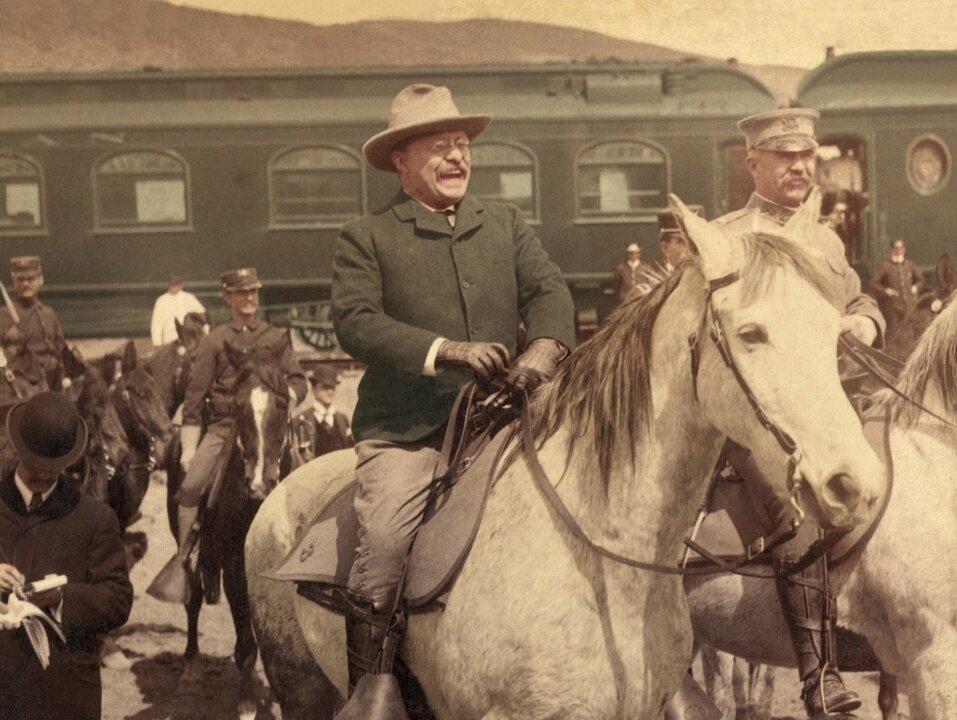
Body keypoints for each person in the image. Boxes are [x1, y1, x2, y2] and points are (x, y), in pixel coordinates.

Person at [332, 83, 576, 717]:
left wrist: (543, 351)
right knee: (384, 543)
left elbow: (549, 290)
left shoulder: (504, 223)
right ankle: (373, 694)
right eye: (439, 147)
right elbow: (355, 320)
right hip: (411, 430)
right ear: (401, 162)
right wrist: (446, 349)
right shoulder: (369, 235)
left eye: (462, 145)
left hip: (508, 418)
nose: (456, 158)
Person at [710, 108, 886, 719]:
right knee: (797, 502)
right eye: (784, 157)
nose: (799, 167)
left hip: (830, 404)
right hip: (762, 419)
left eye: (807, 156)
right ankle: (819, 675)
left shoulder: (824, 237)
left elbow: (857, 296)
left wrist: (864, 319)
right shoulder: (728, 237)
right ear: (753, 162)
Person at [0, 392, 133, 720]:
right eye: (35, 466)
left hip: (65, 694)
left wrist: (61, 598)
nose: (45, 476)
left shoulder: (94, 518)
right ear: (16, 451)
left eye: (55, 468)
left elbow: (117, 599)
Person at [173, 268, 307, 553]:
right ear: (227, 297)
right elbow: (194, 400)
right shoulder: (215, 341)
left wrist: (286, 397)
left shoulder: (275, 337)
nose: (248, 297)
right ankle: (186, 559)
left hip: (270, 427)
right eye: (240, 292)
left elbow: (297, 380)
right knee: (190, 487)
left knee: (308, 483)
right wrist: (187, 450)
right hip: (224, 427)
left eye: (253, 291)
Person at [0, 256, 67, 387]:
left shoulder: (49, 314)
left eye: (30, 279)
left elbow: (61, 349)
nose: (25, 284)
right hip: (21, 384)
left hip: (53, 381)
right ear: (14, 282)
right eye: (21, 279)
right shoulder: (4, 314)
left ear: (40, 280)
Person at [634, 206, 702, 297]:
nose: (691, 249)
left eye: (695, 242)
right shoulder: (647, 289)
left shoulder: (711, 287)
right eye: (681, 242)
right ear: (665, 248)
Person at [868, 240, 926, 343]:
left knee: (911, 332)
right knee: (895, 334)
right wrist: (886, 290)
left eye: (901, 248)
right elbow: (873, 283)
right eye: (896, 248)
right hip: (893, 306)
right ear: (891, 250)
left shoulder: (909, 264)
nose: (899, 251)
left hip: (909, 305)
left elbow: (921, 280)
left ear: (904, 250)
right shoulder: (885, 266)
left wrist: (916, 287)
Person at [296, 366, 353, 458]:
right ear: (314, 389)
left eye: (332, 387)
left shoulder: (343, 419)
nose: (330, 392)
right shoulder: (301, 421)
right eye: (325, 387)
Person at [150, 274, 207, 348]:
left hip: (188, 341)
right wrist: (157, 343)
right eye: (172, 285)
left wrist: (204, 336)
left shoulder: (189, 298)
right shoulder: (161, 301)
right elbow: (156, 323)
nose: (173, 287)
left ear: (181, 286)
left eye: (176, 285)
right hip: (169, 341)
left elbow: (201, 317)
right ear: (168, 285)